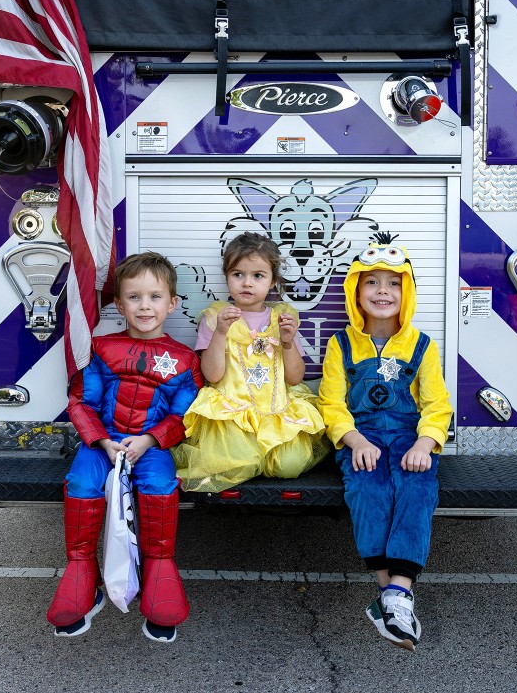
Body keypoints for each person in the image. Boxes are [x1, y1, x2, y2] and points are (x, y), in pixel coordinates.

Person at [46, 252, 203, 644]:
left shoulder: (184, 360)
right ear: (119, 304)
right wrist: (104, 442)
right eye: (134, 297)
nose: (144, 306)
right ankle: (83, 577)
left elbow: (186, 415)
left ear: (172, 303)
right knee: (81, 484)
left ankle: (159, 580)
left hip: (150, 447)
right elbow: (82, 402)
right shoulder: (100, 349)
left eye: (154, 297)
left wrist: (149, 440)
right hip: (104, 443)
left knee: (160, 488)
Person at [317, 235, 453, 651]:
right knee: (368, 489)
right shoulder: (340, 345)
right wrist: (354, 440)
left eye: (393, 283)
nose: (382, 291)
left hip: (408, 437)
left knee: (416, 490)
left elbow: (437, 404)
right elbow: (330, 402)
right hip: (364, 437)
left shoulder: (422, 345)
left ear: (406, 291)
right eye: (371, 282)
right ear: (355, 291)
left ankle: (396, 593)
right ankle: (392, 596)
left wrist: (424, 446)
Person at [174, 232, 328, 492]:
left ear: (272, 281)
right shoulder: (215, 317)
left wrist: (288, 343)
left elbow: (294, 378)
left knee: (289, 466)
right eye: (238, 274)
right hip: (232, 417)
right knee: (237, 462)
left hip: (277, 410)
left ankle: (268, 454)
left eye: (258, 275)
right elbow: (212, 375)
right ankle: (250, 456)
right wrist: (221, 333)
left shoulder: (283, 318)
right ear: (227, 277)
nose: (247, 283)